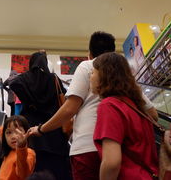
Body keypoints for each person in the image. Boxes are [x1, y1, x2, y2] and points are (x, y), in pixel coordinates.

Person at [28, 31, 158, 180]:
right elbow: (153, 114)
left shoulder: (89, 70)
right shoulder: (125, 79)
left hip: (87, 147)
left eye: (93, 74)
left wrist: (41, 129)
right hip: (125, 152)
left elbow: (70, 108)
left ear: (90, 54)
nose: (91, 76)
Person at [92, 52, 159, 180]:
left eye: (93, 72)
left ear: (104, 75)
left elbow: (112, 162)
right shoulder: (135, 105)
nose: (90, 77)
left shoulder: (109, 106)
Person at [10, 52, 72, 180]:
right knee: (57, 172)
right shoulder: (53, 78)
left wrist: (30, 101)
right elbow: (64, 95)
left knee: (35, 172)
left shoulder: (24, 79)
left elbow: (12, 83)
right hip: (54, 133)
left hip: (32, 134)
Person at [0, 115, 36, 180]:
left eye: (18, 131)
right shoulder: (9, 150)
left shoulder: (29, 153)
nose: (13, 136)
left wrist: (21, 147)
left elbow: (23, 174)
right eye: (9, 132)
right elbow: (2, 130)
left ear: (27, 133)